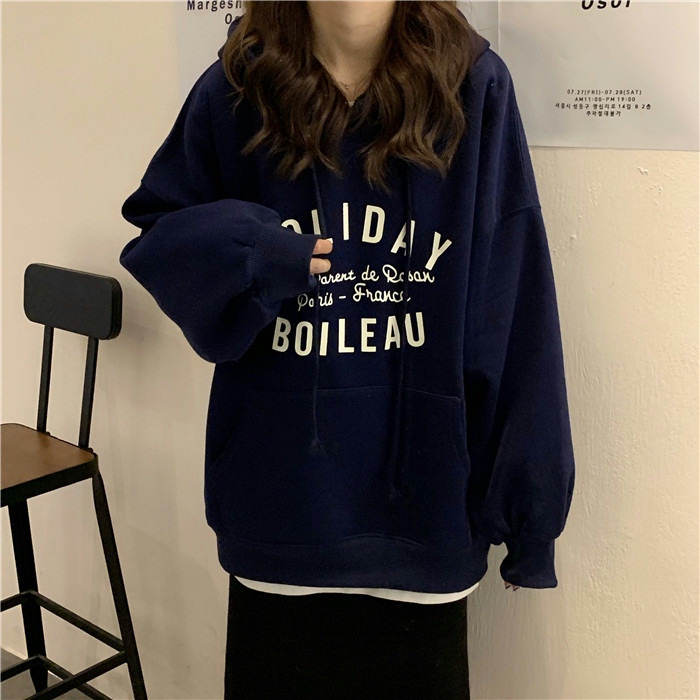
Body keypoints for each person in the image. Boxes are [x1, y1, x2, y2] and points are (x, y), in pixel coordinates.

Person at [118, 1, 576, 697]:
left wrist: (528, 516)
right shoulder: (239, 86)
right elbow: (159, 235)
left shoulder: (474, 86)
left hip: (424, 520)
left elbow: (514, 307)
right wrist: (254, 253)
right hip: (281, 514)